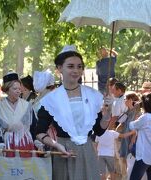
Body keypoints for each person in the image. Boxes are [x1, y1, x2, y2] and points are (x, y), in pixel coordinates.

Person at [35, 45, 110, 180]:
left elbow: (99, 130)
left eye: (79, 66)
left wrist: (107, 114)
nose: (76, 70)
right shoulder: (51, 100)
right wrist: (56, 145)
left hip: (87, 152)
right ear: (59, 69)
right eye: (70, 66)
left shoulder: (93, 96)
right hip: (63, 152)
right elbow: (39, 132)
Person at [0, 72, 37, 157]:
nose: (18, 91)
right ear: (7, 89)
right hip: (8, 143)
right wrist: (0, 144)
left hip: (25, 142)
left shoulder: (27, 106)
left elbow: (34, 126)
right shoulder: (0, 106)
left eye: (19, 89)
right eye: (15, 89)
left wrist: (36, 141)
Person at [129, 92, 151, 180]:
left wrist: (135, 111)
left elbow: (131, 125)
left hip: (144, 155)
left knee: (134, 178)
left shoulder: (146, 117)